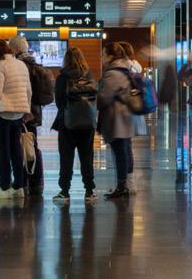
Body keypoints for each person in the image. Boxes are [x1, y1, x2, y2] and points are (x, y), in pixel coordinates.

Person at [0, 39, 32, 199]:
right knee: (16, 151)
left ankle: (4, 188)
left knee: (3, 152)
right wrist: (26, 109)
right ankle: (19, 187)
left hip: (3, 114)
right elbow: (28, 90)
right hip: (18, 113)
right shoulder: (21, 64)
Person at [52, 47, 98, 202]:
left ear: (66, 59)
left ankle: (64, 191)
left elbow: (59, 101)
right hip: (88, 123)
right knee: (87, 157)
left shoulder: (62, 78)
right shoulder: (90, 76)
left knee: (66, 157)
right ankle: (89, 191)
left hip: (67, 123)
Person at [10, 36, 52, 196]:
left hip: (22, 113)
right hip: (35, 113)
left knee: (20, 147)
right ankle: (36, 181)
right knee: (31, 145)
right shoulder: (34, 64)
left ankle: (23, 181)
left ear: (15, 49)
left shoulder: (19, 66)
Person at [98, 42, 136, 199]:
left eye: (103, 54)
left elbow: (103, 98)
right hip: (124, 117)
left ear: (110, 56)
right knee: (123, 151)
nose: (101, 57)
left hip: (116, 119)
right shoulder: (124, 69)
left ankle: (122, 187)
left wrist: (96, 95)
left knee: (120, 152)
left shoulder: (113, 74)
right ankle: (124, 185)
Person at [119, 42, 145, 186]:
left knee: (124, 147)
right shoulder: (136, 66)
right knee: (126, 145)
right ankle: (128, 180)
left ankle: (127, 182)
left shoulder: (125, 67)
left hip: (125, 110)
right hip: (132, 110)